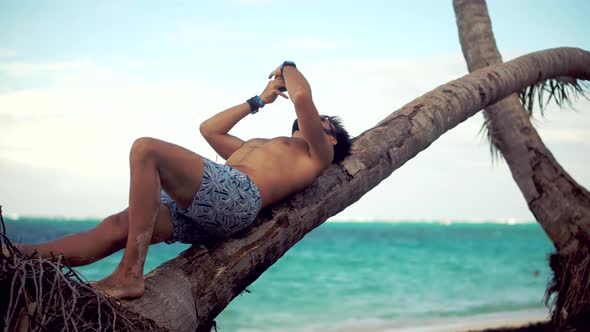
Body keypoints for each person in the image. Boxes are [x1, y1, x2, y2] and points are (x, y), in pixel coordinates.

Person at [2, 61, 352, 299]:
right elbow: (209, 129)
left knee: (146, 150)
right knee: (117, 225)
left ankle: (130, 273)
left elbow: (302, 97)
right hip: (214, 200)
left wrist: (288, 66)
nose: (311, 117)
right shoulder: (258, 146)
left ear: (330, 138)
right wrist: (258, 99)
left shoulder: (316, 154)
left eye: (322, 120)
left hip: (238, 195)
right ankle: (18, 256)